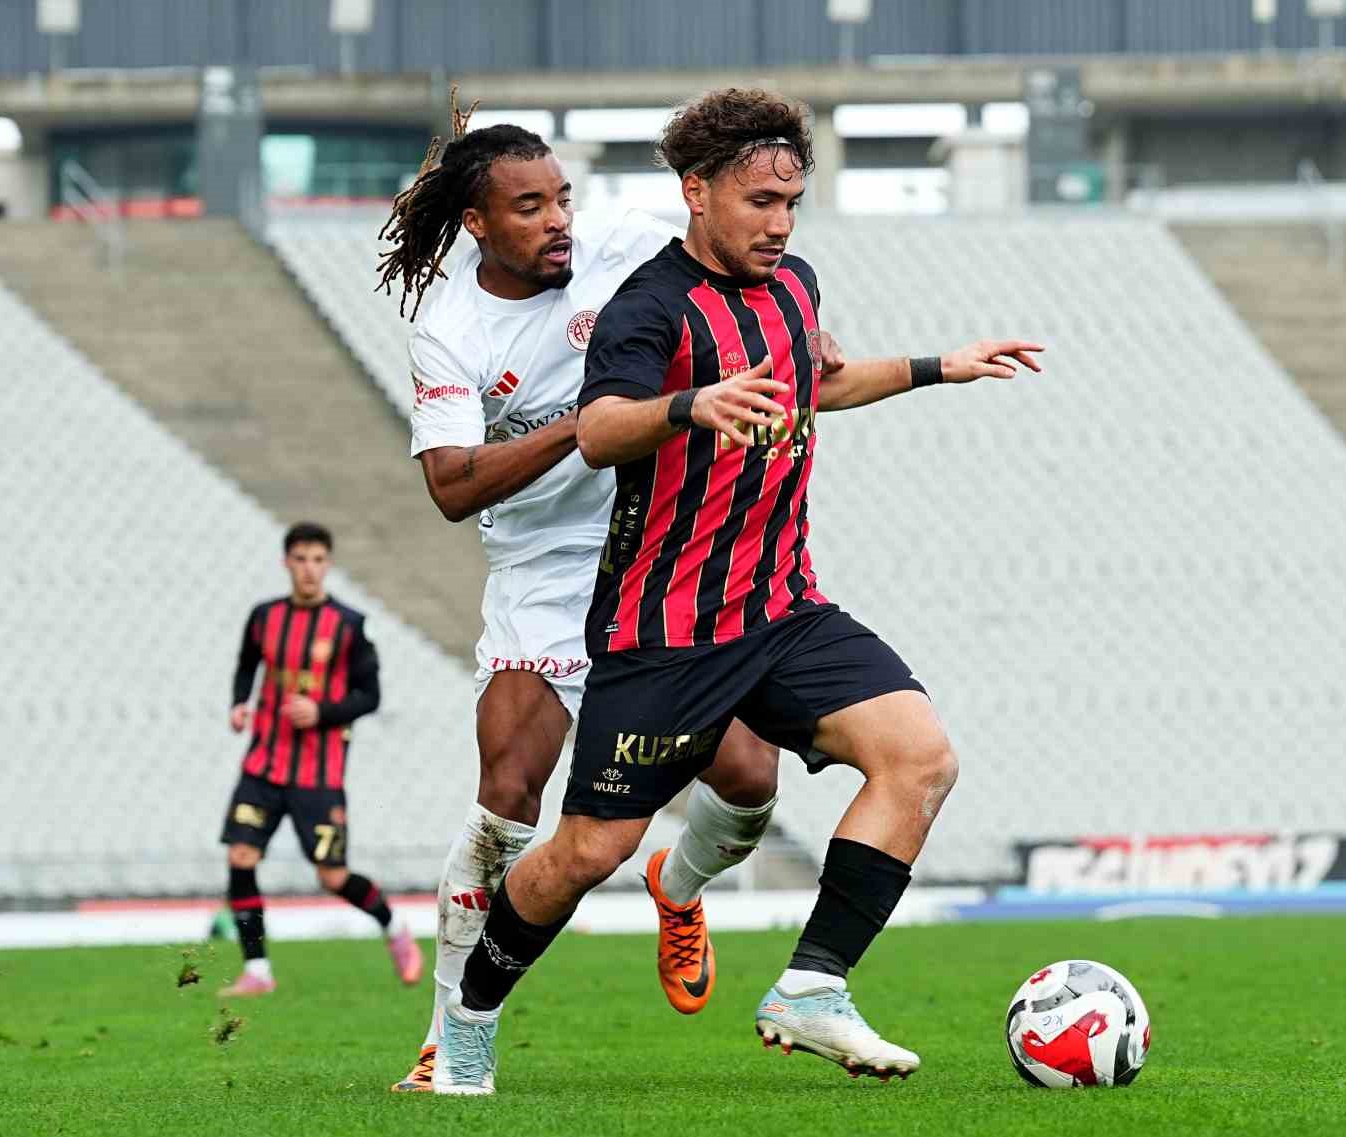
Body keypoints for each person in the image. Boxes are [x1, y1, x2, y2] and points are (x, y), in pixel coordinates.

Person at [432, 87, 1044, 1096]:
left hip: (783, 608)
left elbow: (816, 384)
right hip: (662, 631)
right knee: (584, 852)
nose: (779, 222)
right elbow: (598, 428)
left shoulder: (793, 285)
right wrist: (689, 405)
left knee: (920, 759)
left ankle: (810, 987)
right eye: (761, 201)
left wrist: (941, 365)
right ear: (697, 193)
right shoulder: (648, 307)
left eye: (792, 202)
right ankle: (471, 1014)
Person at [376, 95, 844, 1090]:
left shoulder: (624, 243)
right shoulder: (448, 330)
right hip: (543, 575)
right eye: (529, 207)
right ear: (477, 224)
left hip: (661, 552)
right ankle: (448, 1030)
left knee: (753, 785)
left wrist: (807, 339)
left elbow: (730, 265)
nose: (558, 222)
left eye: (562, 200)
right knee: (506, 803)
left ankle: (678, 888)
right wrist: (591, 422)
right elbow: (453, 486)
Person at [219, 521, 421, 996]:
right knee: (240, 855)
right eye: (300, 559)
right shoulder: (263, 617)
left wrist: (322, 711)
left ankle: (393, 928)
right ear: (286, 562)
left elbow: (369, 695)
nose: (309, 569)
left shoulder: (348, 626)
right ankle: (258, 971)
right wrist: (239, 702)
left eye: (317, 560)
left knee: (332, 876)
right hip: (263, 765)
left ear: (327, 565)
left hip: (318, 773)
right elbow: (248, 663)